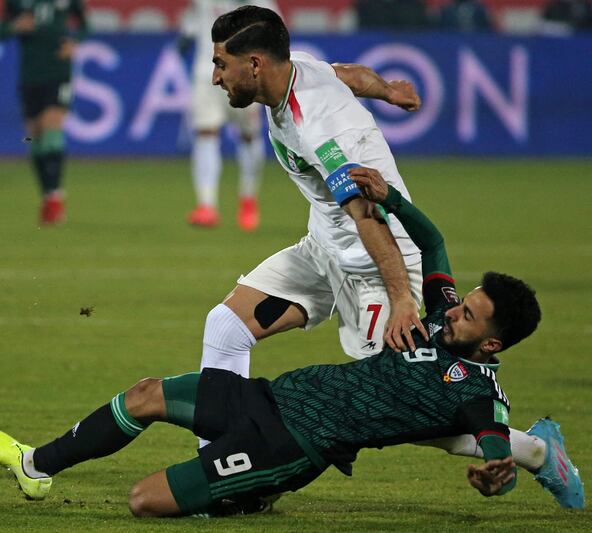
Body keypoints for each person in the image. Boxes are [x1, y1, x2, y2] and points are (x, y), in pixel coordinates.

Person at [0, 167, 584, 515]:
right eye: (464, 303)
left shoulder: (476, 391)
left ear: (491, 347)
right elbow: (432, 243)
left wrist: (501, 471)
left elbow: (490, 442)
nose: (454, 313)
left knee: (144, 501)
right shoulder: (439, 313)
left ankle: (247, 490)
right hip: (271, 397)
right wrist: (390, 198)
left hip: (293, 446)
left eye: (471, 317)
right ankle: (36, 465)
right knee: (144, 395)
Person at [197, 5, 578, 508]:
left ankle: (532, 450)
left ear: (255, 64)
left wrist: (401, 299)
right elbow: (346, 76)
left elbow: (368, 218)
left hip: (377, 264)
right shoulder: (297, 72)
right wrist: (388, 90)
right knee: (226, 326)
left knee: (394, 402)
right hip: (325, 249)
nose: (214, 76)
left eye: (222, 64)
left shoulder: (322, 133)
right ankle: (223, 474)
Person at [181, 1, 276, 231]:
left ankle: (248, 198)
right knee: (206, 133)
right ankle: (207, 206)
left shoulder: (261, 3)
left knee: (249, 135)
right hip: (207, 74)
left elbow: (276, 35)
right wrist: (184, 40)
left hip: (245, 76)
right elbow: (188, 27)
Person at [0, 0, 88, 225]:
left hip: (59, 72)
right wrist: (15, 26)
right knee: (34, 136)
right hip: (30, 75)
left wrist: (74, 41)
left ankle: (55, 198)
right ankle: (48, 196)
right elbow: (0, 31)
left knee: (52, 127)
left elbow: (85, 24)